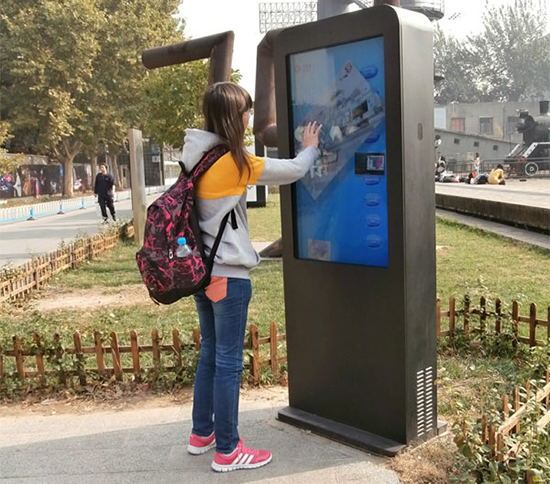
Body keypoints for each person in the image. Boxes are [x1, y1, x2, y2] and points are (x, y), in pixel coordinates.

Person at [184, 82, 321, 473]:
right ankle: (228, 450)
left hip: (201, 274)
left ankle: (202, 433)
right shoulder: (233, 162)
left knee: (210, 354)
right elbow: (292, 171)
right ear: (235, 117)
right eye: (246, 111)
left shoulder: (195, 156)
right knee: (228, 362)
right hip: (228, 276)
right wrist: (311, 147)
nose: (248, 118)